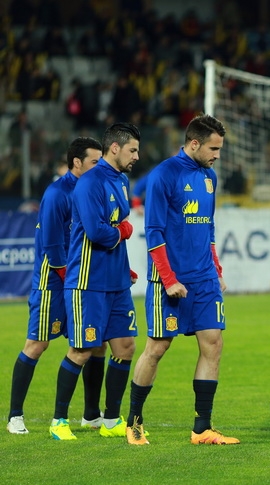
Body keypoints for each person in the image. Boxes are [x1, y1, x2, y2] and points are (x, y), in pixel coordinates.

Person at [125, 114, 238, 446]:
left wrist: (216, 270)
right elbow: (155, 232)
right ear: (194, 143)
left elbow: (210, 229)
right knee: (157, 348)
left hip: (204, 279)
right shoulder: (164, 176)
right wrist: (168, 278)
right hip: (169, 281)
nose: (217, 154)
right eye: (213, 148)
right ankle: (133, 422)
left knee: (213, 345)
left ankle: (202, 428)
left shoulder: (210, 177)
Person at [7, 137, 106, 435]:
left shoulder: (93, 190)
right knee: (37, 344)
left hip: (79, 281)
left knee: (94, 344)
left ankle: (90, 414)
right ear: (77, 162)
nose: (99, 166)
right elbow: (51, 244)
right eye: (94, 161)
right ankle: (15, 416)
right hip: (53, 282)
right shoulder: (57, 193)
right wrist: (68, 280)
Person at [49, 123, 141, 440]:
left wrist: (125, 268)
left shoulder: (122, 180)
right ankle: (59, 421)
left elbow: (115, 222)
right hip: (87, 280)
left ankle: (112, 420)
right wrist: (124, 231)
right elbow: (97, 231)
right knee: (83, 349)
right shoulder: (89, 183)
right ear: (114, 148)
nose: (137, 156)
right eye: (133, 150)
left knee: (126, 346)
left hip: (116, 281)